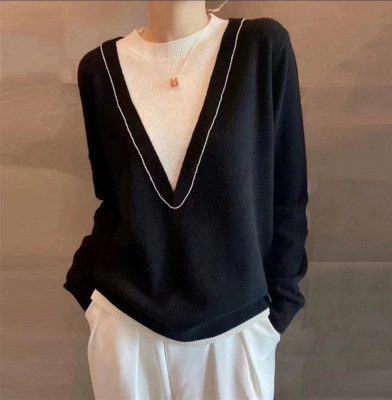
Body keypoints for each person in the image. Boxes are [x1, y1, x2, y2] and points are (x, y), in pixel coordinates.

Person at [63, 1, 309, 399]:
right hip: (126, 326)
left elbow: (289, 195)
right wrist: (89, 293)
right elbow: (111, 196)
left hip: (237, 331)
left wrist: (276, 310)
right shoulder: (99, 69)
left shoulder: (261, 48)